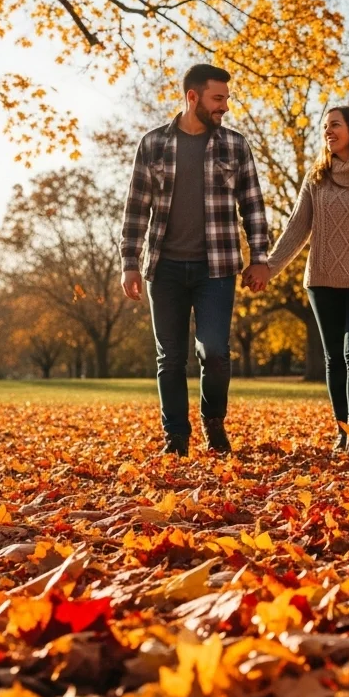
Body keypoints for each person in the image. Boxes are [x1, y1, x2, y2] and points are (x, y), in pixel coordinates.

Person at [119, 63, 271, 456]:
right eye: (217, 98)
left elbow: (252, 205)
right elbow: (136, 208)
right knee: (170, 358)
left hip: (216, 269)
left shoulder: (235, 145)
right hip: (164, 269)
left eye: (226, 99)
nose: (224, 107)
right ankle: (176, 437)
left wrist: (260, 257)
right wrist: (129, 262)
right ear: (193, 97)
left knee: (215, 352)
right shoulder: (152, 144)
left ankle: (213, 420)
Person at [264, 106, 349, 455]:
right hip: (322, 280)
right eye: (325, 126)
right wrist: (269, 266)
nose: (328, 131)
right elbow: (297, 227)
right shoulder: (317, 176)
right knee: (333, 358)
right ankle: (342, 430)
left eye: (335, 125)